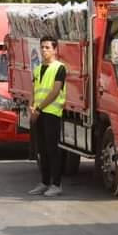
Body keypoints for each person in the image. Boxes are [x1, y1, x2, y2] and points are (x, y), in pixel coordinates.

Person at [28, 36, 68, 197]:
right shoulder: (37, 69)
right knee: (42, 150)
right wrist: (31, 106)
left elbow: (55, 91)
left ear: (55, 49)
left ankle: (56, 184)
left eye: (47, 47)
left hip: (51, 113)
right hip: (38, 113)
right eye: (42, 47)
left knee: (52, 150)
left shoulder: (60, 68)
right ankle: (44, 182)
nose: (44, 50)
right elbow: (33, 89)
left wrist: (38, 108)